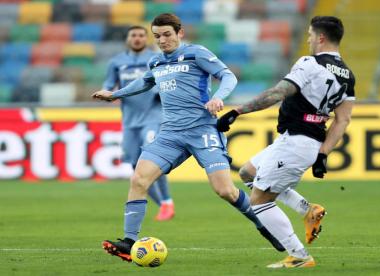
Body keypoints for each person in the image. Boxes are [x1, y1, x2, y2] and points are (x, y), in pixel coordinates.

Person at [92, 13, 283, 262]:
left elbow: (228, 76)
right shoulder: (156, 62)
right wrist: (116, 94)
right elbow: (144, 83)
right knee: (139, 180)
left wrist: (218, 97)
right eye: (157, 36)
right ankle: (129, 241)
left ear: (180, 33)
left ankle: (264, 225)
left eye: (167, 35)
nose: (162, 40)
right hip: (170, 133)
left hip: (202, 130)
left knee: (225, 190)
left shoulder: (197, 53)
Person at [217, 16, 355, 268]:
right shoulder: (348, 76)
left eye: (311, 35)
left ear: (321, 37)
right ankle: (307, 210)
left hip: (297, 142)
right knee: (248, 172)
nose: (309, 39)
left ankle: (300, 256)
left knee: (259, 201)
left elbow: (278, 92)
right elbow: (343, 120)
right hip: (303, 140)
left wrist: (238, 111)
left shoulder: (309, 63)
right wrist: (323, 153)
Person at [102, 25, 174, 221]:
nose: (137, 38)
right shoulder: (116, 62)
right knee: (136, 169)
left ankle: (167, 202)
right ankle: (164, 205)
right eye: (133, 35)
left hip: (153, 117)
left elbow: (166, 81)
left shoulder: (155, 60)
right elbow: (109, 85)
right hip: (130, 120)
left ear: (146, 39)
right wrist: (106, 93)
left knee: (151, 160)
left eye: (141, 35)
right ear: (128, 38)